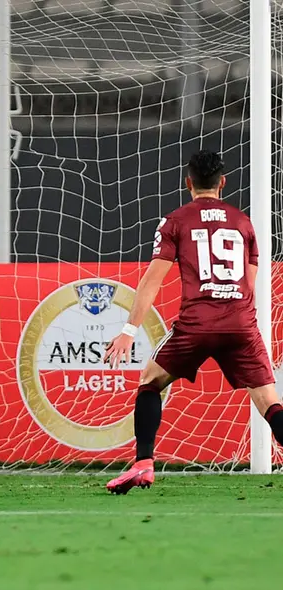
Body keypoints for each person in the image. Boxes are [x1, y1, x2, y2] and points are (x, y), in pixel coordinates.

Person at [104, 149, 283, 494]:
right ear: (222, 183)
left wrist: (129, 331)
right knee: (269, 404)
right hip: (241, 324)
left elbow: (152, 280)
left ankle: (143, 465)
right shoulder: (243, 223)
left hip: (197, 324)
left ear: (188, 183)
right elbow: (250, 281)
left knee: (151, 381)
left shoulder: (175, 221)